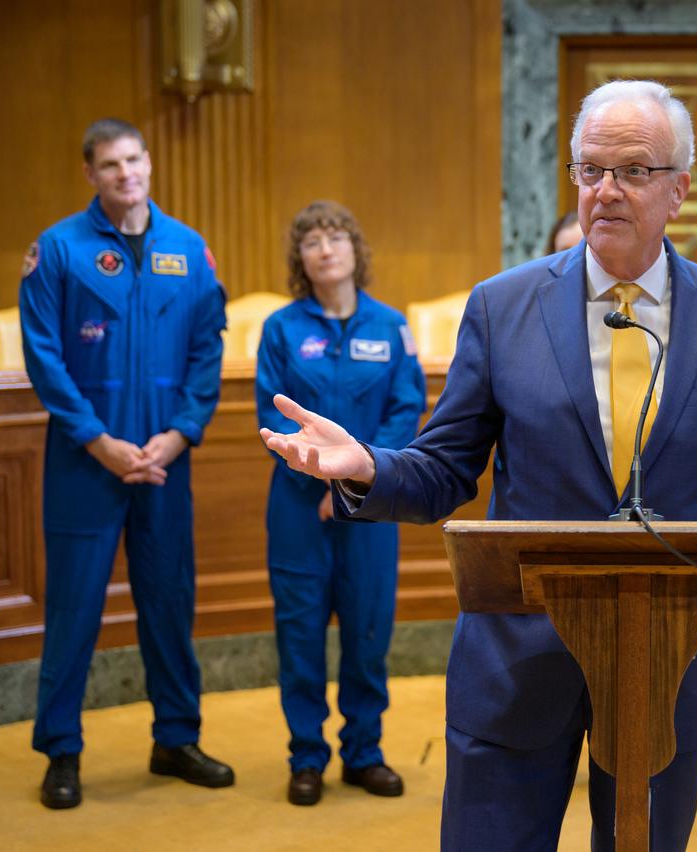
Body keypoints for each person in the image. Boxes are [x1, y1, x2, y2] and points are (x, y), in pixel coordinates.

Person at [261, 80, 697, 851]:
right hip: (518, 654)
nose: (606, 190)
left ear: (679, 190)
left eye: (633, 170)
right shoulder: (503, 307)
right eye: (589, 169)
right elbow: (445, 467)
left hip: (664, 655)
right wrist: (368, 464)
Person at [19, 118, 232, 809]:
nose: (125, 172)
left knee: (169, 602)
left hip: (166, 458)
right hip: (87, 460)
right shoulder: (58, 248)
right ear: (91, 173)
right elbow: (43, 356)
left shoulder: (188, 248)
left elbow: (207, 350)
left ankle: (176, 737)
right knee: (75, 609)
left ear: (148, 162)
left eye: (134, 158)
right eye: (110, 164)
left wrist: (180, 432)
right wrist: (97, 440)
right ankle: (61, 750)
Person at [255, 201, 426, 805]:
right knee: (299, 635)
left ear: (356, 249)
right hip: (300, 511)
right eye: (311, 242)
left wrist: (355, 484)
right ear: (300, 260)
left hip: (372, 509)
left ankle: (364, 752)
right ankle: (306, 756)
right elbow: (270, 419)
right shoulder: (281, 328)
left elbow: (406, 411)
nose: (325, 249)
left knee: (368, 632)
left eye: (335, 238)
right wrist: (326, 485)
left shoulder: (391, 326)